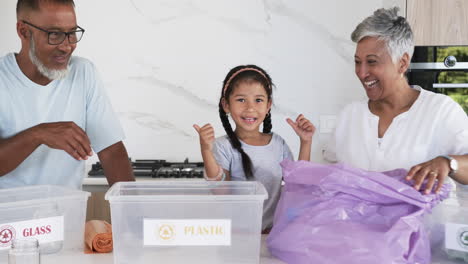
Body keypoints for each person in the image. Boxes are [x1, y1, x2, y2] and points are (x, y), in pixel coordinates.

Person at [324, 7, 468, 194]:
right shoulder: (350, 115)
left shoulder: (441, 111)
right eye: (357, 62)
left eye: (372, 61)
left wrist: (449, 163)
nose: (361, 72)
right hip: (358, 224)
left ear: (402, 63)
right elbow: (331, 175)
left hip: (425, 224)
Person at [0, 0, 135, 189]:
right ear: (23, 31)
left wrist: (133, 213)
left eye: (71, 33)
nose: (67, 46)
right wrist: (38, 135)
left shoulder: (83, 72)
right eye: (54, 34)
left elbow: (112, 152)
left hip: (66, 214)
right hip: (8, 216)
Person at [193, 64, 316, 230]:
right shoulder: (223, 146)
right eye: (241, 100)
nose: (250, 108)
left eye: (258, 100)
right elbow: (220, 192)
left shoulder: (278, 144)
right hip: (237, 236)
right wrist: (206, 149)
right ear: (226, 104)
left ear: (268, 105)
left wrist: (306, 142)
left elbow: (298, 186)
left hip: (271, 234)